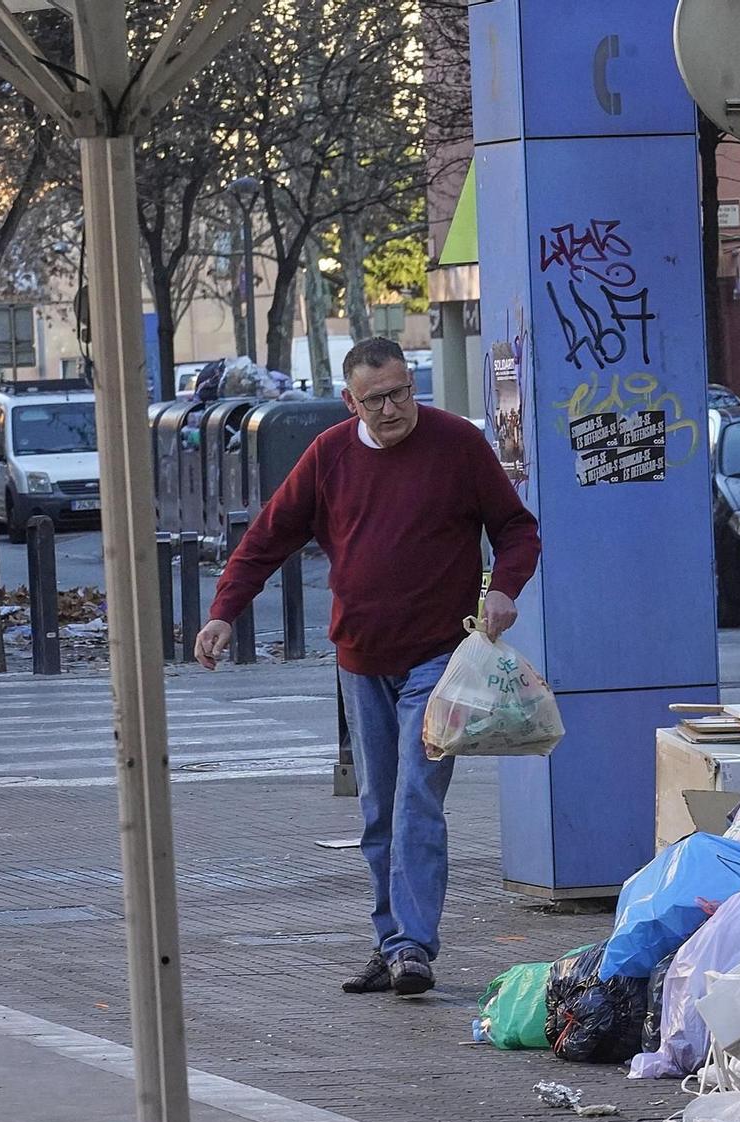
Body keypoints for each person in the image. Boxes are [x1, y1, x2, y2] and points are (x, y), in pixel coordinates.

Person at [196, 337, 541, 998]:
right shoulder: (328, 455)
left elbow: (517, 528)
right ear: (350, 401)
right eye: (377, 398)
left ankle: (413, 942)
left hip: (438, 659)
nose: (394, 408)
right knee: (377, 807)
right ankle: (390, 943)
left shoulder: (456, 445)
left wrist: (504, 588)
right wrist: (223, 612)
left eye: (403, 391)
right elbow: (268, 536)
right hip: (359, 660)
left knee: (417, 796)